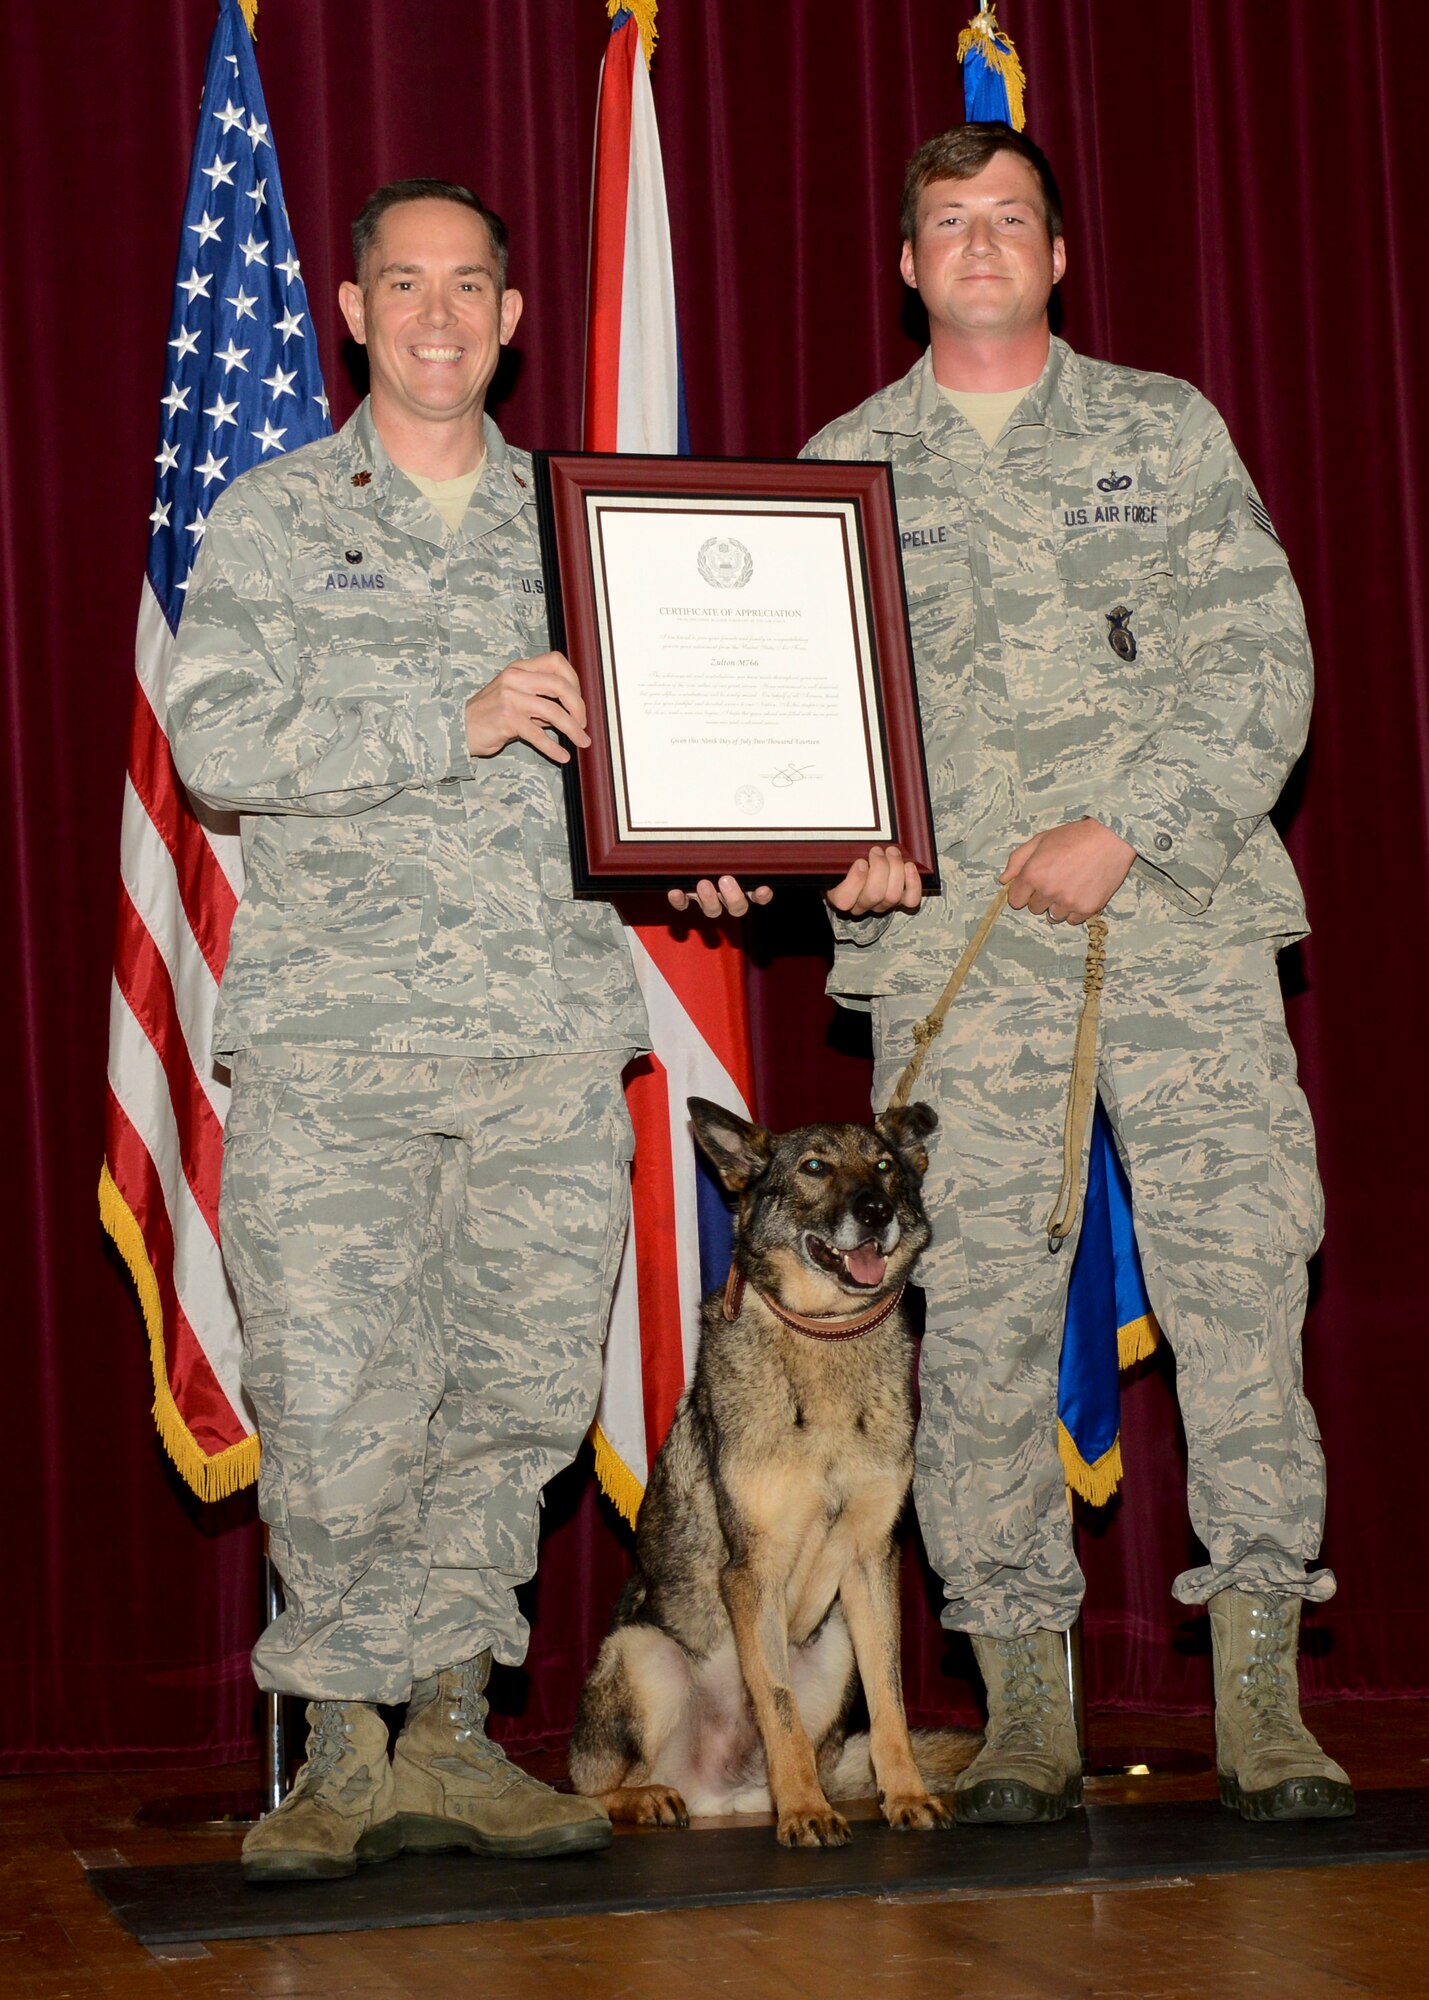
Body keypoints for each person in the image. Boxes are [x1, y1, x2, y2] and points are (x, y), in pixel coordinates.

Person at [678, 122, 1350, 1828]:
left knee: (1239, 1295)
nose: (979, 245)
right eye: (947, 224)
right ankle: (1023, 1703)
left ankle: (1263, 1700)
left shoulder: (1159, 427)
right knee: (967, 1332)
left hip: (1176, 933)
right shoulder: (839, 471)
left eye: (1011, 221)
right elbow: (793, 734)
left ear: (1056, 255)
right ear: (905, 265)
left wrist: (1129, 820)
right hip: (955, 965)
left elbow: (1264, 665)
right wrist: (850, 844)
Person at [168, 180, 651, 1882]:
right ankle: (340, 1751)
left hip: (542, 1034)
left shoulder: (593, 525)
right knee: (339, 1398)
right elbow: (219, 734)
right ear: (354, 311)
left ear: (515, 317)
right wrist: (444, 719)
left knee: (514, 1396)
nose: (439, 315)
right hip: (343, 1051)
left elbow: (677, 745)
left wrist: (729, 840)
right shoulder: (275, 516)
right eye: (404, 285)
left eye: (471, 287)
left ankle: (452, 1726)